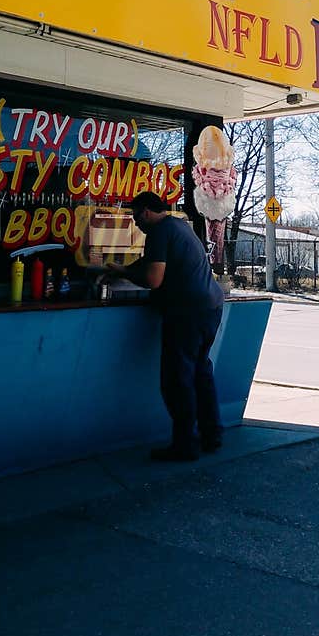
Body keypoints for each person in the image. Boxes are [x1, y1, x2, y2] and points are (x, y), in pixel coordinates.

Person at [102, 191, 225, 462]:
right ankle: (212, 434)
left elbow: (154, 279)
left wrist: (123, 273)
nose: (136, 223)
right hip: (211, 307)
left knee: (177, 379)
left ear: (146, 211)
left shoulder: (158, 232)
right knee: (200, 373)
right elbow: (153, 263)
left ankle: (184, 445)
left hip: (187, 311)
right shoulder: (178, 224)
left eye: (136, 217)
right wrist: (126, 268)